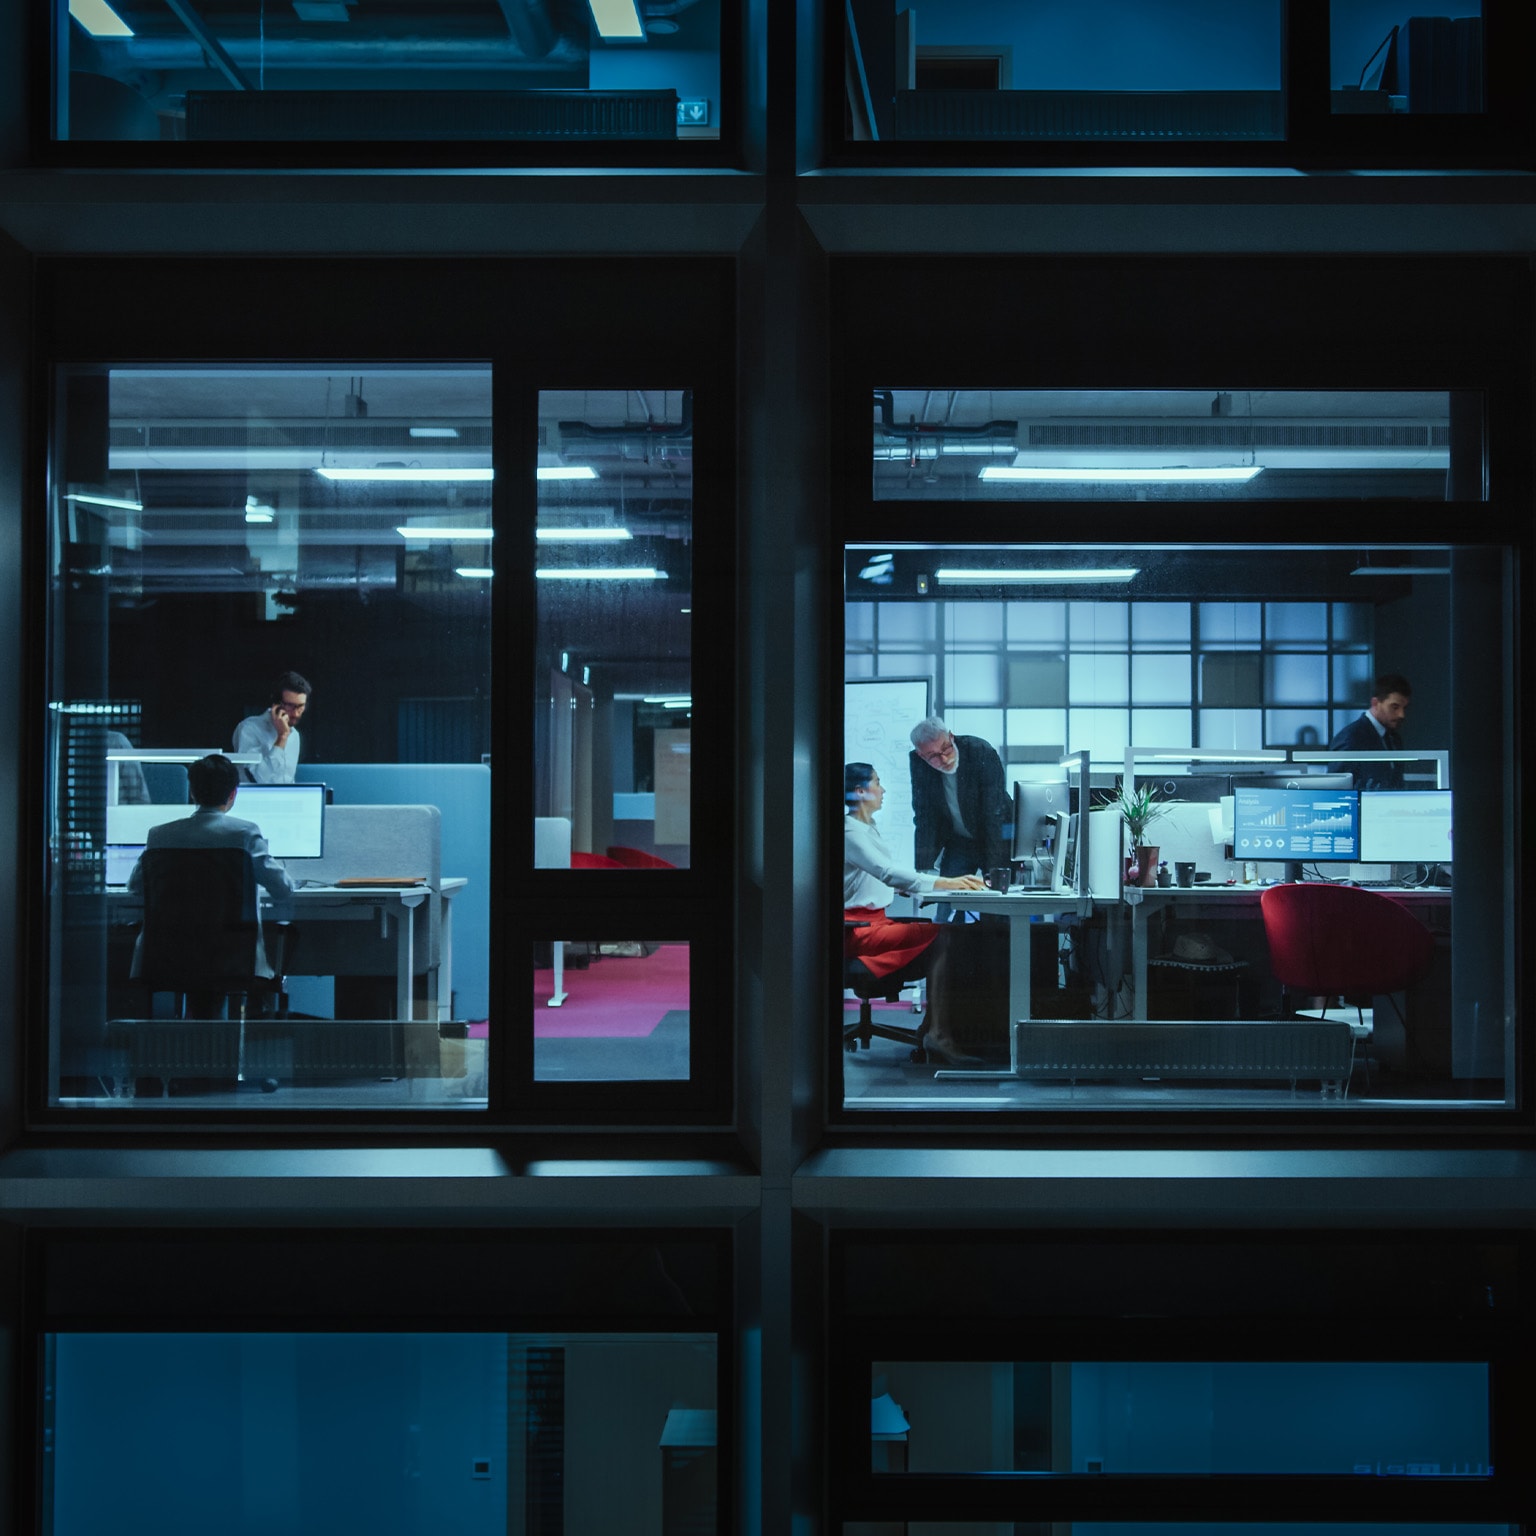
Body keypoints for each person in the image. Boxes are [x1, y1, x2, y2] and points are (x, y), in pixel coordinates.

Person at [844, 761, 985, 1063]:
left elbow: (867, 880)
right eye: (877, 782)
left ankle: (931, 1029)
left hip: (873, 923)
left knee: (944, 935)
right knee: (944, 935)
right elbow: (885, 872)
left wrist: (917, 888)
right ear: (860, 792)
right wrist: (947, 882)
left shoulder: (866, 829)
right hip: (858, 930)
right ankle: (937, 1034)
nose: (883, 790)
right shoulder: (850, 832)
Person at [127, 752, 297, 990]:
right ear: (233, 794)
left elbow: (135, 887)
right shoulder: (245, 834)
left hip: (170, 958)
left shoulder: (159, 835)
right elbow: (283, 889)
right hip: (233, 960)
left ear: (192, 792)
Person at [1328, 672, 1411, 790]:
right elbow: (1335, 789)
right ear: (1375, 703)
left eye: (1404, 708)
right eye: (1394, 707)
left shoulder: (1393, 738)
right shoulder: (1352, 737)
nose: (1401, 714)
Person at [232, 669, 311, 784]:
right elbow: (261, 780)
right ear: (276, 704)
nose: (296, 713)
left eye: (300, 706)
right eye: (290, 705)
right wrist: (281, 738)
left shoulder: (294, 735)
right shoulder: (249, 729)